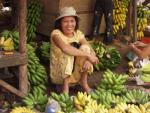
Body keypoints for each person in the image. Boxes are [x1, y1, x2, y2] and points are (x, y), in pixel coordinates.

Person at [50, 7, 99, 94]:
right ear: (60, 23)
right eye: (65, 21)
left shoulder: (78, 34)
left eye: (72, 21)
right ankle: (65, 91)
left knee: (85, 48)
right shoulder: (56, 34)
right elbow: (65, 48)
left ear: (76, 22)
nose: (69, 24)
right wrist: (87, 56)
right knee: (68, 52)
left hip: (75, 74)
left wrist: (89, 60)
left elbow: (90, 49)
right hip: (60, 76)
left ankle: (84, 84)